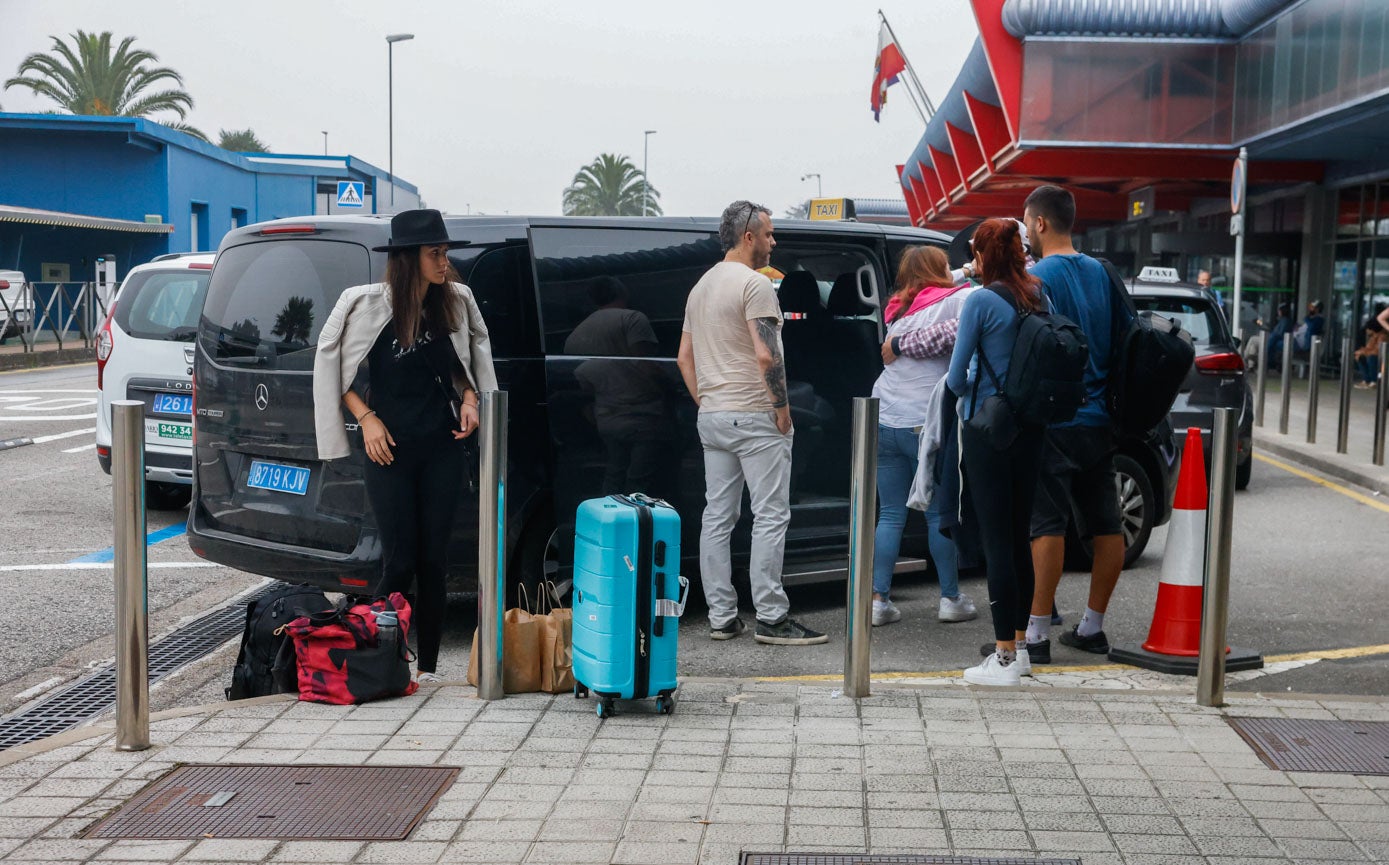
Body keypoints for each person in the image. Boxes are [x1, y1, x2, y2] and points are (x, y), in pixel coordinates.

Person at [313, 208, 498, 684]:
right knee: (399, 561)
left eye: (444, 252)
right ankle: (383, 662)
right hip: (388, 452)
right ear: (408, 258)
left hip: (440, 449)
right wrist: (367, 419)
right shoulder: (371, 309)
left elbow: (465, 366)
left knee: (435, 562)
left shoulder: (450, 305)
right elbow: (339, 373)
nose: (444, 262)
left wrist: (472, 399)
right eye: (434, 254)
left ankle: (431, 668)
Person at [676, 200, 827, 646]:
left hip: (714, 416)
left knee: (717, 516)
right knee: (771, 514)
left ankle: (722, 617)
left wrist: (706, 399)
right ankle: (771, 616)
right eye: (769, 234)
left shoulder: (700, 287)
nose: (773, 242)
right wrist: (781, 408)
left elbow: (684, 358)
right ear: (748, 237)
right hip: (755, 414)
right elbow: (767, 354)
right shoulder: (754, 285)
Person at [1019, 185, 1124, 663]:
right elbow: (1128, 335)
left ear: (1040, 223)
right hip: (1100, 417)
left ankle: (1036, 635)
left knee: (1048, 524)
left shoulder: (1037, 277)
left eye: (1026, 223)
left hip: (1057, 420)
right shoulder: (1103, 273)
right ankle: (1092, 627)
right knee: (1107, 524)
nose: (1025, 231)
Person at [946, 218, 1047, 686]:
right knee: (1019, 535)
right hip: (1031, 427)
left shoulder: (982, 301)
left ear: (985, 253)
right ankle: (1022, 646)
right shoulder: (1038, 293)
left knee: (995, 542)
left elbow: (954, 378)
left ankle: (1003, 657)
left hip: (989, 431)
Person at [870, 245, 976, 627]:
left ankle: (878, 601)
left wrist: (963, 270)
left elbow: (940, 289)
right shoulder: (960, 302)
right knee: (937, 515)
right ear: (937, 270)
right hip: (925, 422)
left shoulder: (897, 309)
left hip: (884, 416)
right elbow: (959, 302)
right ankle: (950, 598)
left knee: (891, 514)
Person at [1354, 317, 1386, 389]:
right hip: (1372, 354)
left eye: (1368, 329)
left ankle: (1374, 381)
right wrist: (1361, 352)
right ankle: (1366, 380)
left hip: (1379, 357)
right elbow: (1369, 348)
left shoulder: (1382, 336)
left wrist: (1364, 352)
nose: (1366, 331)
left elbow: (1377, 351)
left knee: (1371, 358)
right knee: (1361, 357)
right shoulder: (1373, 337)